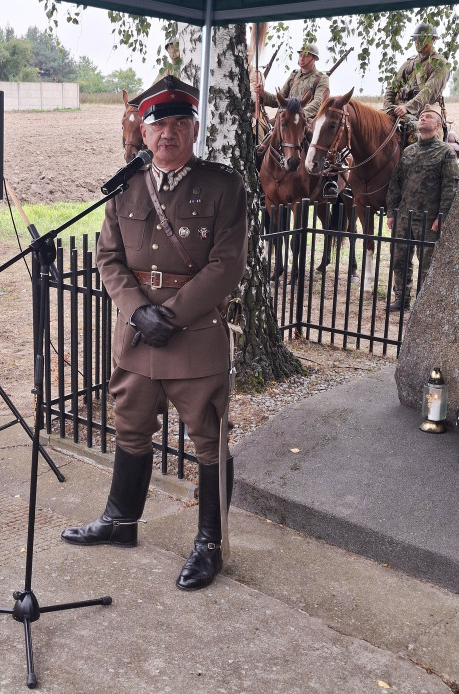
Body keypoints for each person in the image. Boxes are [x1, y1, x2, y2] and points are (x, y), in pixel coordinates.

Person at [61, 76, 248, 592]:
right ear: (143, 134)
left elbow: (227, 265)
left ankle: (209, 543)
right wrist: (137, 311)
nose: (168, 133)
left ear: (194, 129)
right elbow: (108, 257)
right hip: (139, 336)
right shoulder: (126, 186)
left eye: (179, 123)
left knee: (208, 441)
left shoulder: (225, 186)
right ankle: (121, 522)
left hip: (195, 336)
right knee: (130, 427)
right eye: (158, 123)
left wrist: (172, 315)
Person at [385, 104, 459, 311]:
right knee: (399, 260)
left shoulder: (446, 153)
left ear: (437, 125)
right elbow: (395, 184)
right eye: (421, 116)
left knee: (426, 264)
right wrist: (392, 212)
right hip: (404, 217)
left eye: (428, 117)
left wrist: (442, 216)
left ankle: (423, 302)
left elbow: (450, 186)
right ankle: (401, 297)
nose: (423, 118)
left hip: (429, 220)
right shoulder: (408, 151)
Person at [384, 23, 451, 140]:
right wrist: (388, 108)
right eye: (416, 38)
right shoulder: (409, 64)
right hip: (401, 111)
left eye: (422, 38)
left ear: (432, 39)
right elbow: (392, 88)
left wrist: (407, 107)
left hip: (426, 111)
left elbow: (428, 93)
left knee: (418, 138)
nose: (417, 42)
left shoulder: (441, 65)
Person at [254, 43, 330, 127]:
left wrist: (299, 114)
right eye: (300, 55)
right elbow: (279, 100)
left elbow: (318, 102)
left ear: (314, 58)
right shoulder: (294, 75)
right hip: (286, 121)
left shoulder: (321, 78)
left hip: (306, 122)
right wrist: (263, 93)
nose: (302, 58)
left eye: (306, 56)